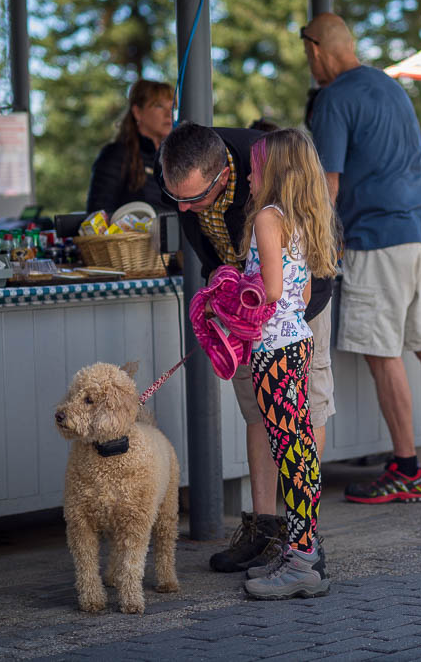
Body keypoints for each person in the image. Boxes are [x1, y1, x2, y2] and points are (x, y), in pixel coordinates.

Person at [302, 12, 421, 502]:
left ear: (315, 49)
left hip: (377, 237)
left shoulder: (333, 98)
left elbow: (327, 186)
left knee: (383, 355)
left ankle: (407, 469)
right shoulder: (390, 86)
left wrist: (312, 247)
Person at [156, 123, 336, 573]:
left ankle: (302, 539)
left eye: (194, 198)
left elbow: (286, 283)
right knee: (260, 415)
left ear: (226, 175)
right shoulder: (188, 172)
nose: (184, 208)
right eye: (176, 198)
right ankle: (266, 530)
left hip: (284, 321)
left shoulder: (266, 172)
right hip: (257, 319)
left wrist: (249, 303)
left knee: (301, 420)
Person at [237, 129, 338, 599]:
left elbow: (273, 291)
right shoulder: (300, 218)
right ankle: (304, 550)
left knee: (290, 452)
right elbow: (302, 291)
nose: (248, 175)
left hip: (272, 348)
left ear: (273, 171)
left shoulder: (266, 218)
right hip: (297, 341)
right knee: (299, 449)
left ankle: (301, 562)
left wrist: (229, 297)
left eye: (254, 167)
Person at [86, 79, 173, 214]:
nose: (169, 114)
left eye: (173, 107)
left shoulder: (175, 156)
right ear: (137, 112)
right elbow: (99, 212)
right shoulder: (116, 154)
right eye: (159, 106)